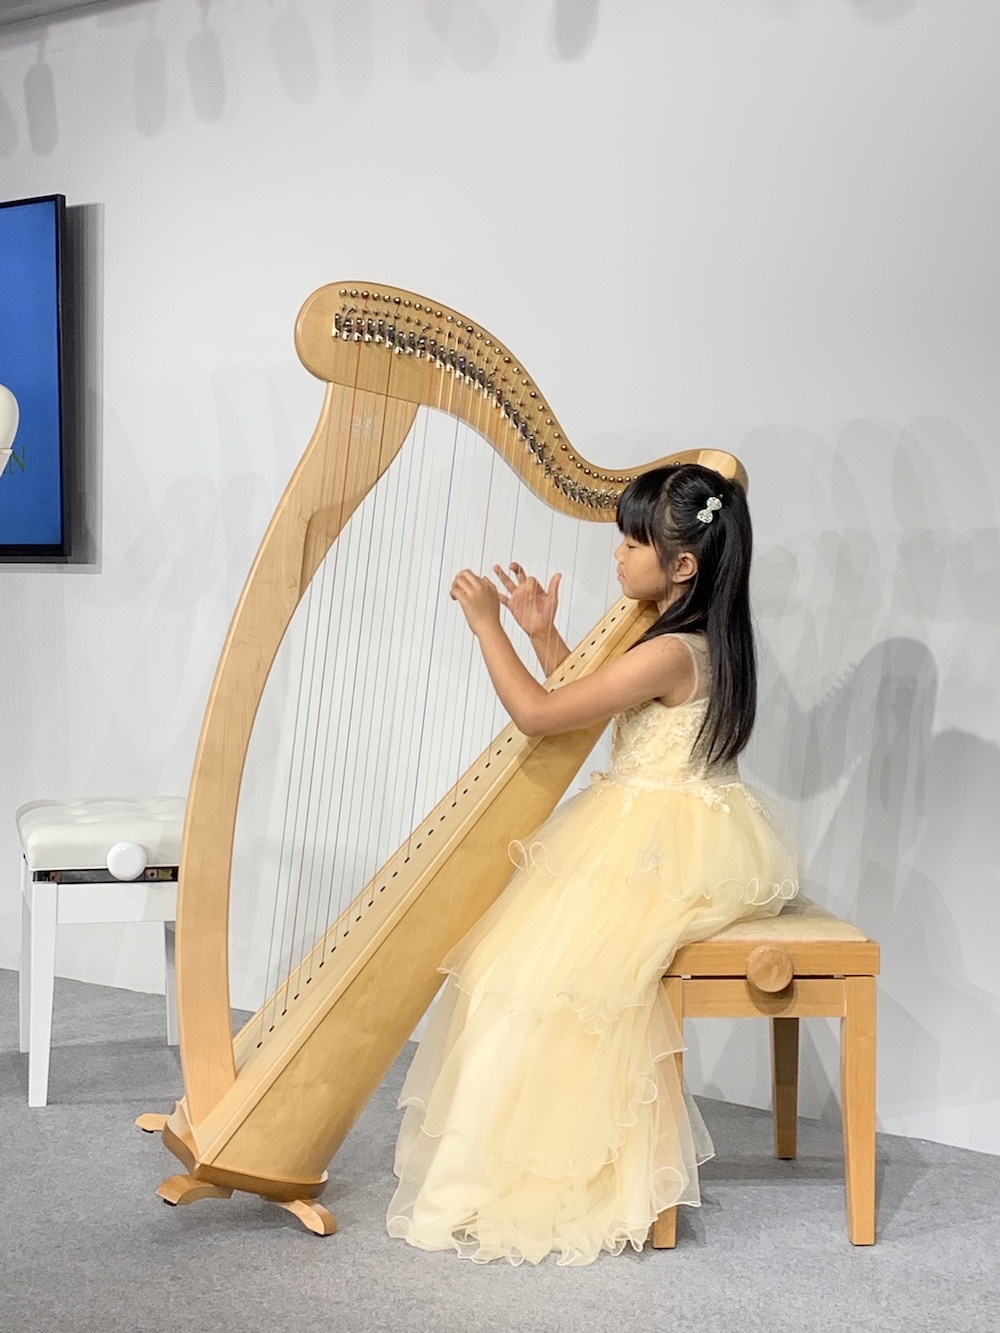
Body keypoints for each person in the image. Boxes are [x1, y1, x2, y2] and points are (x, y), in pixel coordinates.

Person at [386, 462, 799, 1266]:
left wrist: (487, 627)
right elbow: (598, 699)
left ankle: (539, 1165)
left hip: (659, 846)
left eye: (633, 542)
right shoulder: (692, 637)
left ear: (683, 564)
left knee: (525, 978)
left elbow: (542, 714)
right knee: (515, 971)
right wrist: (543, 634)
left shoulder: (671, 649)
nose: (618, 554)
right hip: (670, 830)